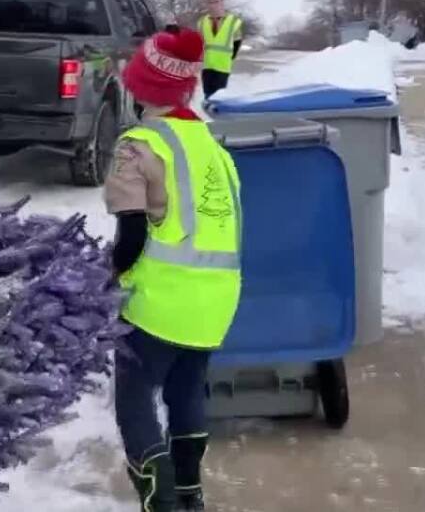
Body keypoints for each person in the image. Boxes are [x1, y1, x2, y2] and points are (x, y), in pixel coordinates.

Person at [105, 26, 244, 512]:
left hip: (158, 304)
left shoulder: (139, 144)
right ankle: (190, 493)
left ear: (140, 86)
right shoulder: (215, 149)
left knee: (135, 399)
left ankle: (159, 498)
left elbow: (133, 237)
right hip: (216, 303)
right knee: (188, 390)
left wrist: (105, 278)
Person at [199, 0, 244, 96]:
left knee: (217, 99)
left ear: (222, 2)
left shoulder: (233, 21)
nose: (213, 6)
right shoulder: (202, 22)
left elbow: (237, 41)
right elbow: (199, 42)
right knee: (208, 98)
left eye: (216, 2)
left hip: (222, 67)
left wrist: (230, 57)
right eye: (210, 2)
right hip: (207, 67)